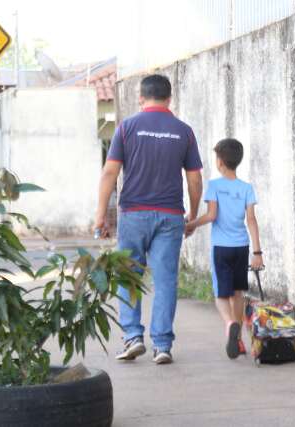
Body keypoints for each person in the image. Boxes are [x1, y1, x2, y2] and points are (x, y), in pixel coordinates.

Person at [94, 74, 203, 365]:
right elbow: (194, 178)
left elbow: (110, 173)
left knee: (128, 276)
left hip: (133, 214)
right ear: (170, 98)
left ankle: (132, 337)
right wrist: (192, 213)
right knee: (166, 280)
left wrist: (101, 215)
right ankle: (163, 345)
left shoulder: (127, 128)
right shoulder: (184, 131)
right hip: (170, 215)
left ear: (140, 98)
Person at [186, 138, 263, 359]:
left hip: (221, 247)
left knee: (221, 294)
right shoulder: (246, 188)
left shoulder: (215, 186)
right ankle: (238, 340)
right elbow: (252, 220)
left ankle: (230, 325)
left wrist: (190, 225)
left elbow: (211, 216)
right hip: (242, 247)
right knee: (238, 292)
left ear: (220, 162)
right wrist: (257, 253)